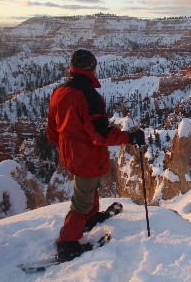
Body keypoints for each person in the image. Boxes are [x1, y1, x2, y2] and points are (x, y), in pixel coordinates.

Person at [47, 49, 146, 262]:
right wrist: (130, 137)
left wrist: (69, 146)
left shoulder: (59, 92)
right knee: (81, 200)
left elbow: (52, 132)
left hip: (70, 152)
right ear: (91, 68)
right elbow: (100, 134)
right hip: (86, 155)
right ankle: (67, 243)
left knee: (89, 186)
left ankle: (90, 218)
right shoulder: (89, 95)